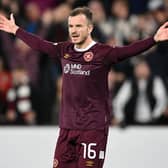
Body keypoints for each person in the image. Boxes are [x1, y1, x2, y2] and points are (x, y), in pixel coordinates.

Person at [0, 6, 168, 168]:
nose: (73, 30)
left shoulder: (103, 53)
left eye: (78, 26)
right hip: (67, 127)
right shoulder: (64, 49)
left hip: (92, 128)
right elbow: (40, 44)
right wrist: (16, 30)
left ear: (90, 28)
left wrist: (153, 39)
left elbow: (129, 50)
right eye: (71, 26)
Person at [112, 59, 167, 126]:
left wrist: (155, 116)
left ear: (149, 69)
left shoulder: (156, 81)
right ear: (135, 70)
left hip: (154, 122)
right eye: (139, 67)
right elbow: (118, 101)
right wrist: (120, 118)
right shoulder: (129, 83)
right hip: (132, 122)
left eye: (144, 67)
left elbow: (162, 100)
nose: (141, 70)